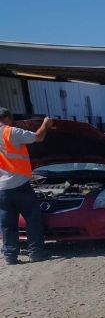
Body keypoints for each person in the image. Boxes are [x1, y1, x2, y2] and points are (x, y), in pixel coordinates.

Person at [0, 108, 52, 265]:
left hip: (2, 189)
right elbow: (39, 137)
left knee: (7, 223)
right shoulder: (12, 132)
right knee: (33, 217)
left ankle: (10, 256)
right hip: (19, 185)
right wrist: (46, 124)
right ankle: (36, 252)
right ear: (9, 117)